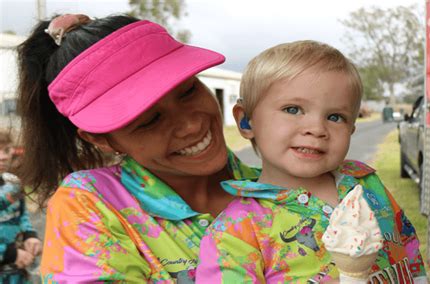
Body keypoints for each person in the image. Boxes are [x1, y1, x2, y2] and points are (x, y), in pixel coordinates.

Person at [16, 14, 260, 282]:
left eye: (189, 91)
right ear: (101, 139)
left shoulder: (282, 188)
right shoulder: (91, 205)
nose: (190, 125)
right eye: (150, 121)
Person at [196, 41, 427, 283]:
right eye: (293, 109)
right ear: (246, 122)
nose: (317, 129)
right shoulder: (236, 232)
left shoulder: (365, 182)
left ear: (351, 127)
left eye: (335, 117)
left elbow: (407, 246)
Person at [0, 131, 42, 283]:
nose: (3, 156)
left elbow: (22, 215)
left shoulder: (14, 183)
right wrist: (10, 254)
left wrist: (29, 235)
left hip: (17, 273)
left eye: (6, 150)